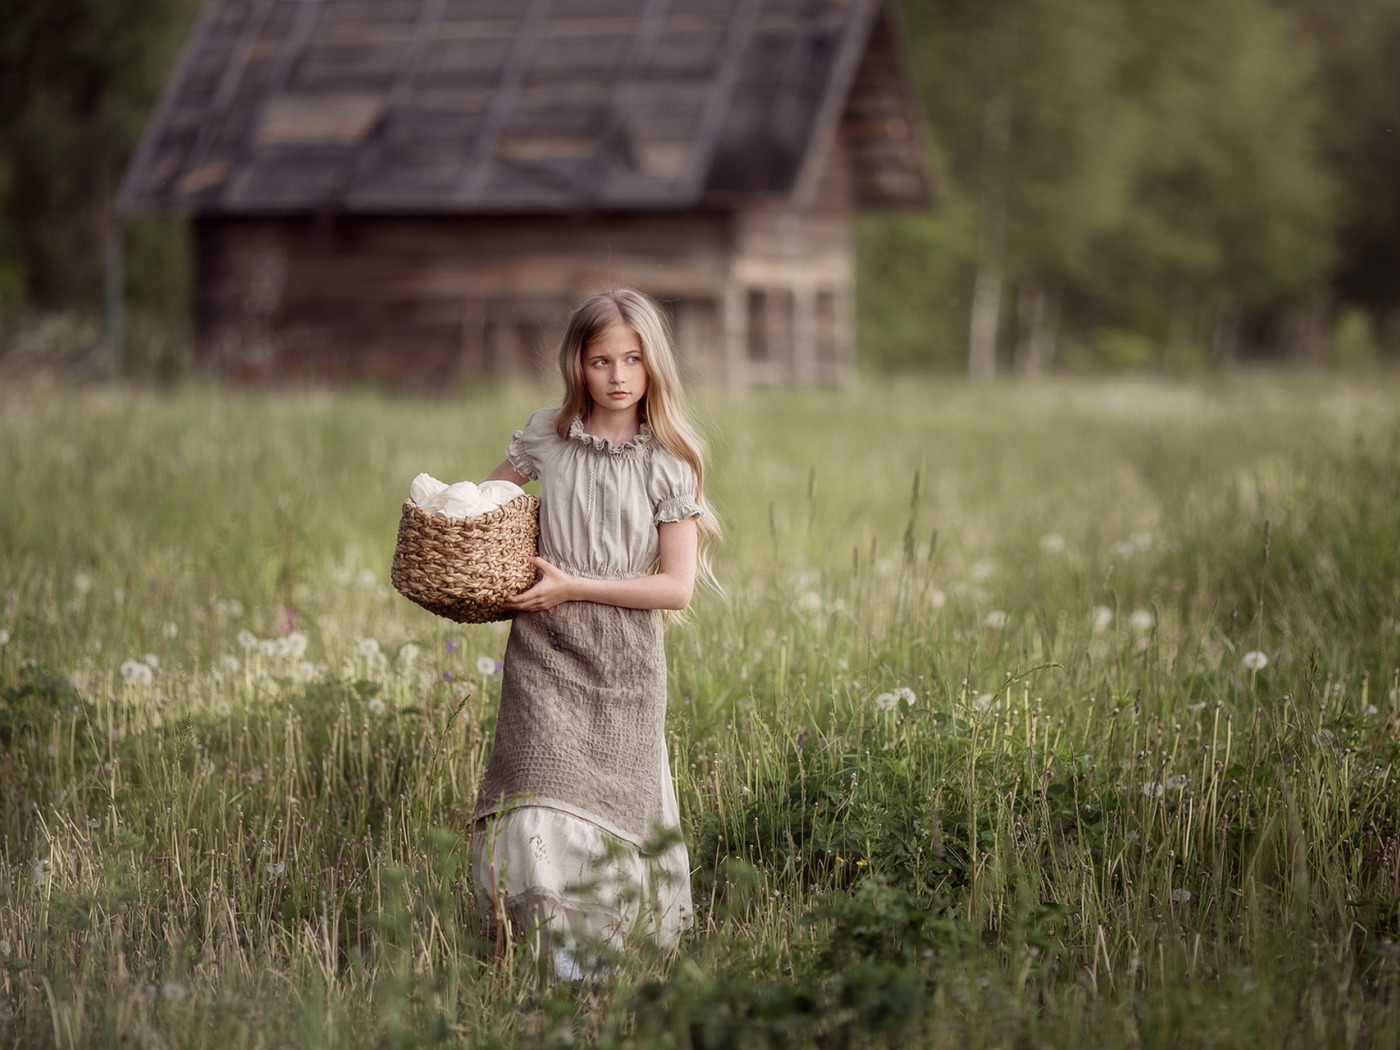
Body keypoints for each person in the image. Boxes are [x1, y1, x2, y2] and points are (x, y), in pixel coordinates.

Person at [469, 288, 720, 980]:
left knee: (612, 805)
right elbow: (483, 513)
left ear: (652, 366)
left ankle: (606, 959)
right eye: (600, 359)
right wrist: (450, 522)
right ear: (576, 363)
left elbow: (675, 588)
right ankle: (548, 954)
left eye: (632, 359)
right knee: (541, 793)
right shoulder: (547, 437)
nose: (616, 375)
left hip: (624, 662)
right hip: (542, 648)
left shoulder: (668, 460)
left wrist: (572, 585)